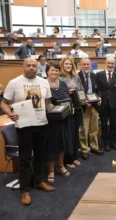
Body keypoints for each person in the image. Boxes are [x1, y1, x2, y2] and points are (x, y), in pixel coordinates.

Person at [1, 58, 55, 205]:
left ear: (38, 67)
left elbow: (47, 103)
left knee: (40, 156)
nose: (31, 68)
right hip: (24, 126)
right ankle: (24, 190)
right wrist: (10, 113)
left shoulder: (44, 82)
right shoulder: (14, 83)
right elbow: (4, 103)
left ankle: (39, 181)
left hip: (42, 124)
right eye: (28, 65)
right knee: (25, 159)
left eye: (34, 66)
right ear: (23, 66)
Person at [45, 62, 71, 182]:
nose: (54, 72)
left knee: (62, 142)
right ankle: (51, 169)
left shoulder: (63, 83)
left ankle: (60, 166)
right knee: (51, 144)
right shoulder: (43, 84)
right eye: (52, 70)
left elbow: (67, 98)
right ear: (47, 71)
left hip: (63, 118)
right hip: (50, 120)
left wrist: (70, 107)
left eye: (56, 70)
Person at [59, 57, 84, 168]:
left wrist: (84, 100)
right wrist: (67, 92)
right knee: (67, 134)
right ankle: (67, 160)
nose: (68, 66)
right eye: (66, 64)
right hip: (66, 107)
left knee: (75, 132)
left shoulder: (76, 76)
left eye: (70, 64)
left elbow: (81, 89)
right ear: (62, 65)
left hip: (77, 106)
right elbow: (58, 93)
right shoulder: (59, 77)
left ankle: (74, 157)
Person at [78, 58, 104, 159]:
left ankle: (94, 147)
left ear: (90, 65)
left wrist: (99, 97)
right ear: (80, 65)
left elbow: (98, 89)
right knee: (84, 130)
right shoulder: (77, 76)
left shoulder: (94, 75)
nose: (86, 66)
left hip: (94, 106)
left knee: (94, 129)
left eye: (88, 64)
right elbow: (77, 92)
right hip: (83, 107)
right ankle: (85, 149)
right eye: (84, 64)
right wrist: (83, 102)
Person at [96, 57, 116, 151]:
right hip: (102, 104)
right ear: (105, 63)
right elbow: (98, 89)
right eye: (109, 63)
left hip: (114, 104)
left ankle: (113, 142)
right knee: (104, 125)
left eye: (112, 63)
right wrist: (99, 97)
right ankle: (106, 143)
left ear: (115, 64)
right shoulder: (99, 75)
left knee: (113, 124)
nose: (110, 65)